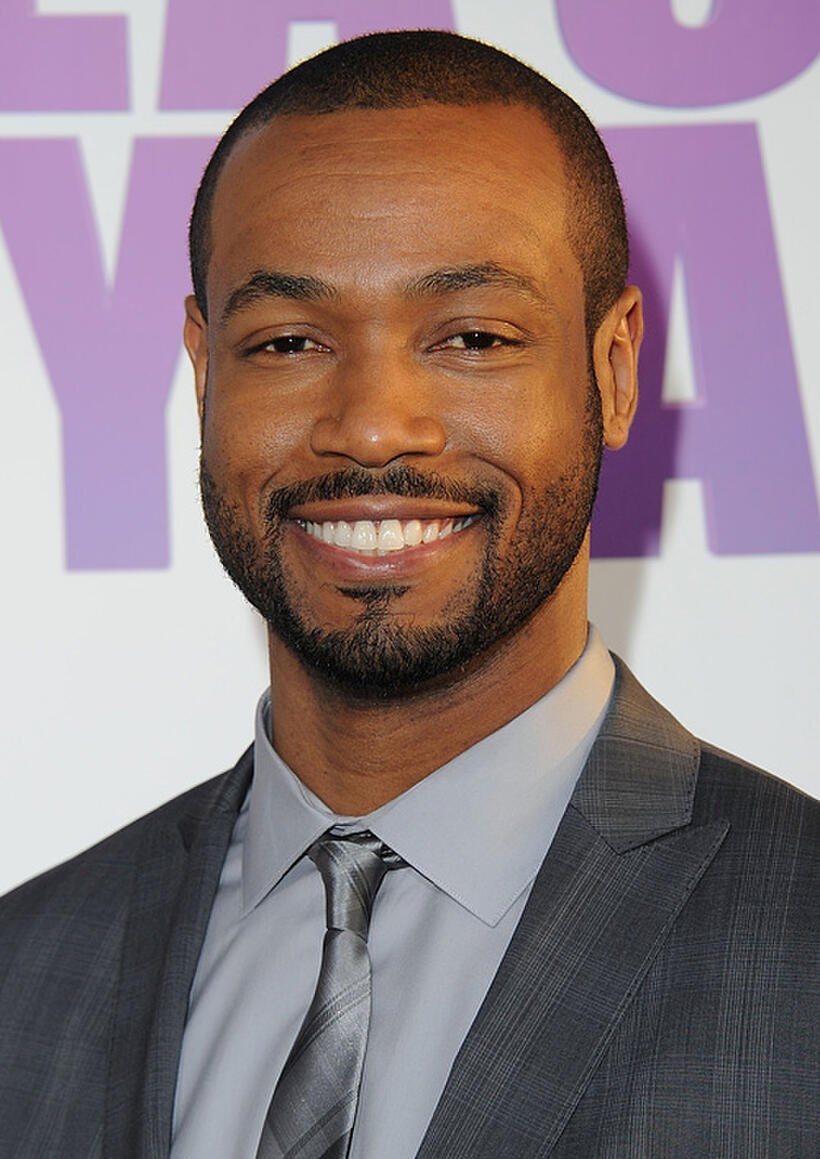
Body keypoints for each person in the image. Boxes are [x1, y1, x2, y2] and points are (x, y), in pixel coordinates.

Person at [0, 29, 817, 1159]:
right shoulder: (26, 967)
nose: (374, 423)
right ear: (204, 370)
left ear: (615, 369)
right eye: (288, 341)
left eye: (474, 337)